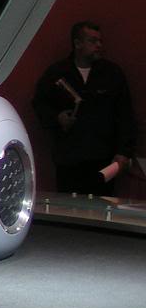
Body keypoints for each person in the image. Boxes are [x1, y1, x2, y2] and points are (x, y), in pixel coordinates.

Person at [33, 21, 137, 195]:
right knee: (69, 207)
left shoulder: (111, 74)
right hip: (69, 159)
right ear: (77, 43)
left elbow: (125, 115)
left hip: (103, 159)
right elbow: (39, 103)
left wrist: (124, 152)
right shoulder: (58, 72)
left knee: (102, 207)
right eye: (92, 41)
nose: (99, 45)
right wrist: (57, 118)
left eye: (100, 41)